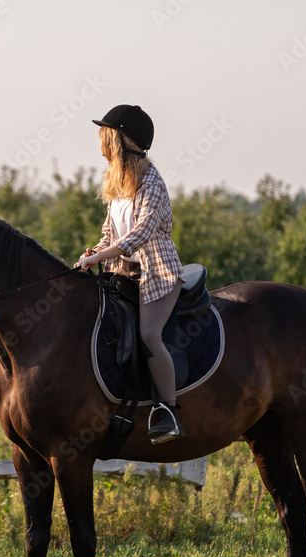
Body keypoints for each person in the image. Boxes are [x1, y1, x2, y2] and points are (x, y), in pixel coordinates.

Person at [75, 104, 186, 444]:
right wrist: (93, 252)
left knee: (149, 334)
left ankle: (168, 412)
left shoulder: (152, 182)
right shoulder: (118, 181)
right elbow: (111, 235)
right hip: (123, 272)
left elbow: (138, 235)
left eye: (106, 136)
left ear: (122, 139)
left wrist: (101, 257)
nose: (101, 142)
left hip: (158, 273)